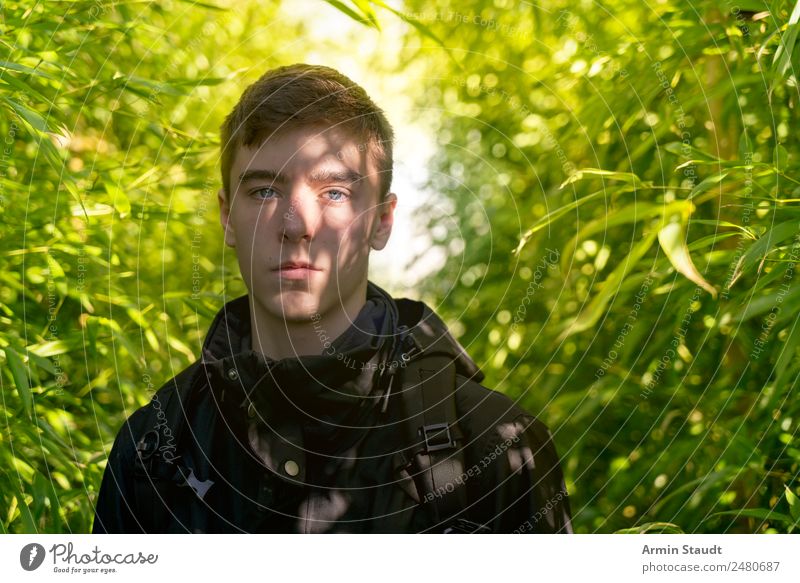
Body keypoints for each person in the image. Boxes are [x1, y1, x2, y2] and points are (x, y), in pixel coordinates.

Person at [92, 63, 573, 534]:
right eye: (264, 191)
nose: (297, 225)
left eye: (335, 193)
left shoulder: (495, 445)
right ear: (226, 217)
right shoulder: (153, 453)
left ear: (382, 221)